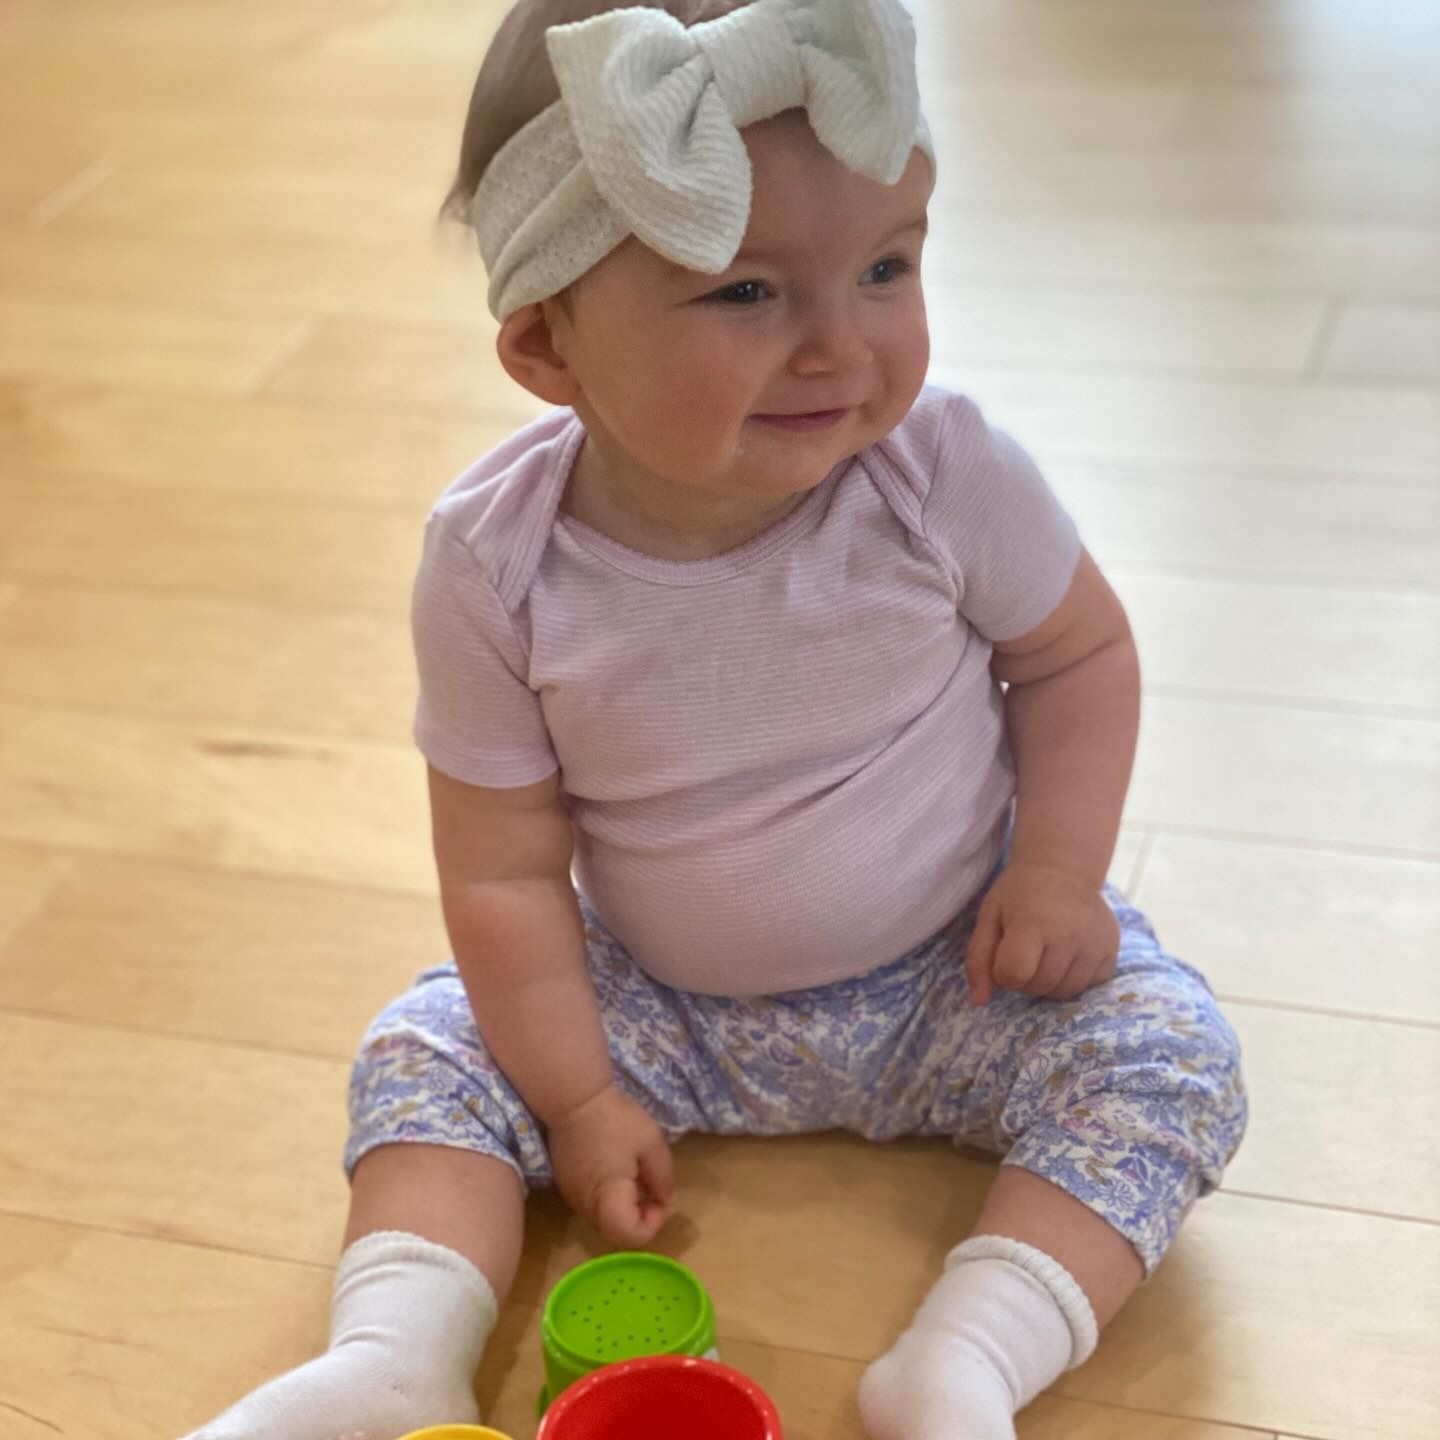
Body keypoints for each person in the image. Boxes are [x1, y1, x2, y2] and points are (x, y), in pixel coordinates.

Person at [181, 1, 1248, 1437]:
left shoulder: (942, 475)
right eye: (747, 292)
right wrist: (572, 1096)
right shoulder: (495, 565)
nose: (840, 345)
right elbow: (500, 867)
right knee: (425, 1049)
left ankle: (968, 1359)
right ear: (549, 344)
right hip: (654, 1006)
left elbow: (1077, 656)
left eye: (886, 267)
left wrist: (1052, 873)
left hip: (957, 973)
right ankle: (393, 1354)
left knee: (1169, 1053)